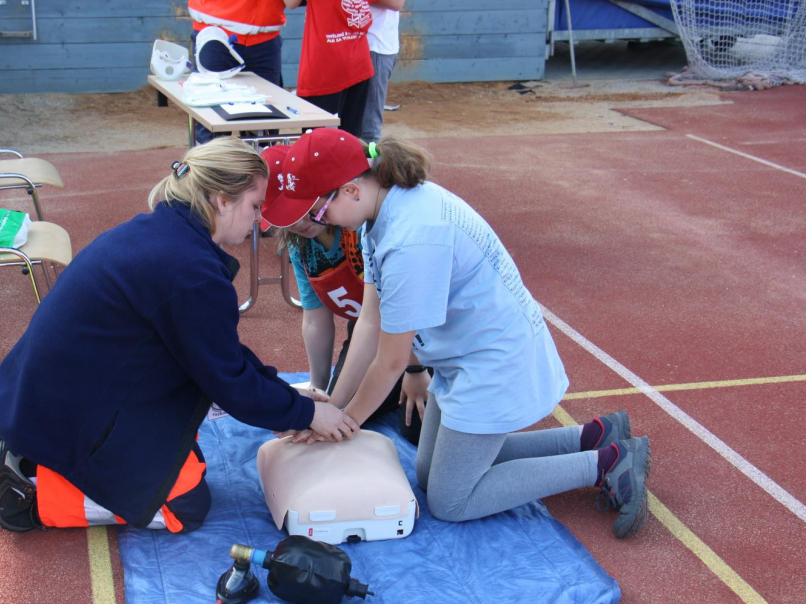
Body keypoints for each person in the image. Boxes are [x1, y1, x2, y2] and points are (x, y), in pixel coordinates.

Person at [267, 128, 652, 539]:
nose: (317, 221)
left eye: (319, 211)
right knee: (430, 474)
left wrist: (345, 424)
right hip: (463, 355)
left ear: (350, 191)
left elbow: (392, 360)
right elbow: (369, 324)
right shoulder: (380, 214)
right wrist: (332, 409)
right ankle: (593, 435)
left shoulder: (410, 238)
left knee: (450, 501)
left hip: (493, 361)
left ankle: (607, 464)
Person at [0, 137, 359, 533]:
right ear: (221, 200)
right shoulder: (190, 270)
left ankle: (32, 455)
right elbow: (228, 381)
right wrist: (307, 413)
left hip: (43, 401)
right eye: (255, 205)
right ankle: (31, 490)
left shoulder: (166, 236)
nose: (259, 221)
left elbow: (216, 351)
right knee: (186, 504)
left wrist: (286, 397)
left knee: (179, 446)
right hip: (63, 417)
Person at [260, 143, 426, 443]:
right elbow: (315, 320)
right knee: (339, 412)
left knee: (416, 427)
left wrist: (417, 369)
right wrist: (320, 394)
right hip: (373, 333)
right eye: (286, 217)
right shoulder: (301, 245)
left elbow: (405, 308)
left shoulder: (359, 223)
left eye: (302, 210)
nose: (297, 222)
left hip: (418, 333)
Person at [188, 0, 288, 144]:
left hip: (266, 36)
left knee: (265, 124)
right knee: (213, 127)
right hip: (216, 29)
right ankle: (207, 166)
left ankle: (259, 166)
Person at [284, 0, 375, 137]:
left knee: (318, 144)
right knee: (350, 141)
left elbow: (290, 3)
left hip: (325, 68)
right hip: (357, 61)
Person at [361, 0, 404, 143]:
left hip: (374, 46)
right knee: (352, 124)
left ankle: (369, 165)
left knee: (368, 130)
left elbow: (395, 2)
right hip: (359, 46)